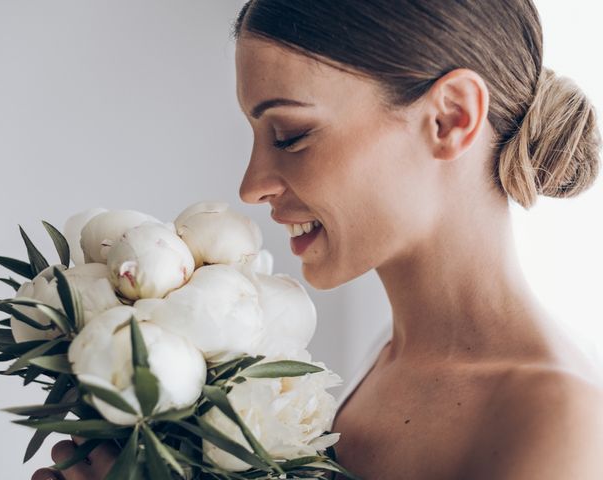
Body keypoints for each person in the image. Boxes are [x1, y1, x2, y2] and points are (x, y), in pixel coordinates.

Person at [33, 0, 603, 478]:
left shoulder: (557, 420)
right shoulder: (384, 359)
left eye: (291, 134)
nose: (252, 186)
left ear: (451, 118)